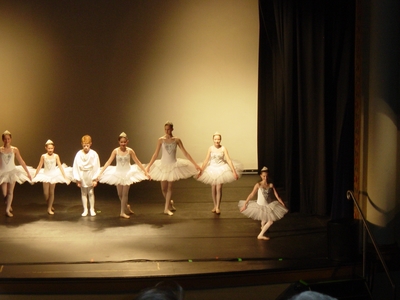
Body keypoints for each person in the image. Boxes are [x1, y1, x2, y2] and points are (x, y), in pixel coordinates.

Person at [145, 121, 201, 216]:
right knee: (163, 189)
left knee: (170, 187)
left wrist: (195, 164)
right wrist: (148, 166)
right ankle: (169, 203)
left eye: (169, 129)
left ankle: (166, 208)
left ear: (172, 129)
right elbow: (155, 154)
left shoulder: (177, 140)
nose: (167, 131)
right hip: (162, 165)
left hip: (173, 165)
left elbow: (185, 153)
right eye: (165, 129)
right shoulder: (161, 140)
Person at [97, 132, 150, 219]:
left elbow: (137, 161)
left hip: (127, 173)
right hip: (118, 173)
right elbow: (108, 161)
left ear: (127, 142)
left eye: (124, 142)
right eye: (121, 142)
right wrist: (100, 172)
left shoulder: (130, 151)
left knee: (125, 194)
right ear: (119, 142)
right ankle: (126, 206)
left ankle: (122, 212)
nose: (123, 144)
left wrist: (145, 172)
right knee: (120, 194)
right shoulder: (115, 151)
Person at [197, 132, 242, 214]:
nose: (217, 141)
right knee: (213, 188)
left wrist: (234, 171)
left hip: (221, 168)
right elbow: (206, 159)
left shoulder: (223, 148)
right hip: (212, 169)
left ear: (220, 139)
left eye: (218, 139)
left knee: (219, 188)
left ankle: (218, 206)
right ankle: (214, 206)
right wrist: (201, 170)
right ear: (213, 140)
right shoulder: (210, 148)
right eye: (215, 139)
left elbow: (228, 159)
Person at [239, 167, 288, 240]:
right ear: (261, 176)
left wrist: (282, 203)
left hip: (268, 205)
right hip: (260, 205)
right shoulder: (258, 185)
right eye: (264, 176)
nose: (265, 178)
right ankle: (260, 235)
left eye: (266, 176)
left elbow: (277, 196)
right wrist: (245, 204)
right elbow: (251, 194)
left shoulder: (270, 185)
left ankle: (263, 228)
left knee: (264, 220)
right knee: (270, 221)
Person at [32, 140, 71, 215]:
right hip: (45, 175)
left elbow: (59, 166)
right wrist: (35, 175)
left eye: (51, 148)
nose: (50, 150)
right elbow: (39, 166)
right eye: (49, 148)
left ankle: (49, 208)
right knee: (46, 193)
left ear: (54, 148)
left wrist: (65, 177)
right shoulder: (43, 156)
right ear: (46, 148)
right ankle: (49, 204)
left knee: (51, 192)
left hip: (53, 175)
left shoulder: (56, 156)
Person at [0, 130, 32, 217]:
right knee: (4, 193)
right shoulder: (0, 150)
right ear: (3, 139)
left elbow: (21, 161)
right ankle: (8, 204)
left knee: (10, 191)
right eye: (5, 139)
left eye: (8, 139)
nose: (7, 140)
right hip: (3, 172)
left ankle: (7, 210)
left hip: (12, 172)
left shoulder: (14, 149)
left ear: (11, 139)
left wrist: (27, 172)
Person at [72, 135, 100, 217]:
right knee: (83, 192)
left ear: (90, 144)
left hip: (90, 174)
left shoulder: (94, 154)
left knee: (91, 192)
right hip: (82, 174)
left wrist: (95, 179)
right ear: (81, 144)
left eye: (87, 145)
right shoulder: (78, 154)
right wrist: (77, 179)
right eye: (84, 145)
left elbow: (96, 166)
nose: (86, 147)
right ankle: (85, 209)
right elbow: (75, 166)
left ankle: (92, 208)